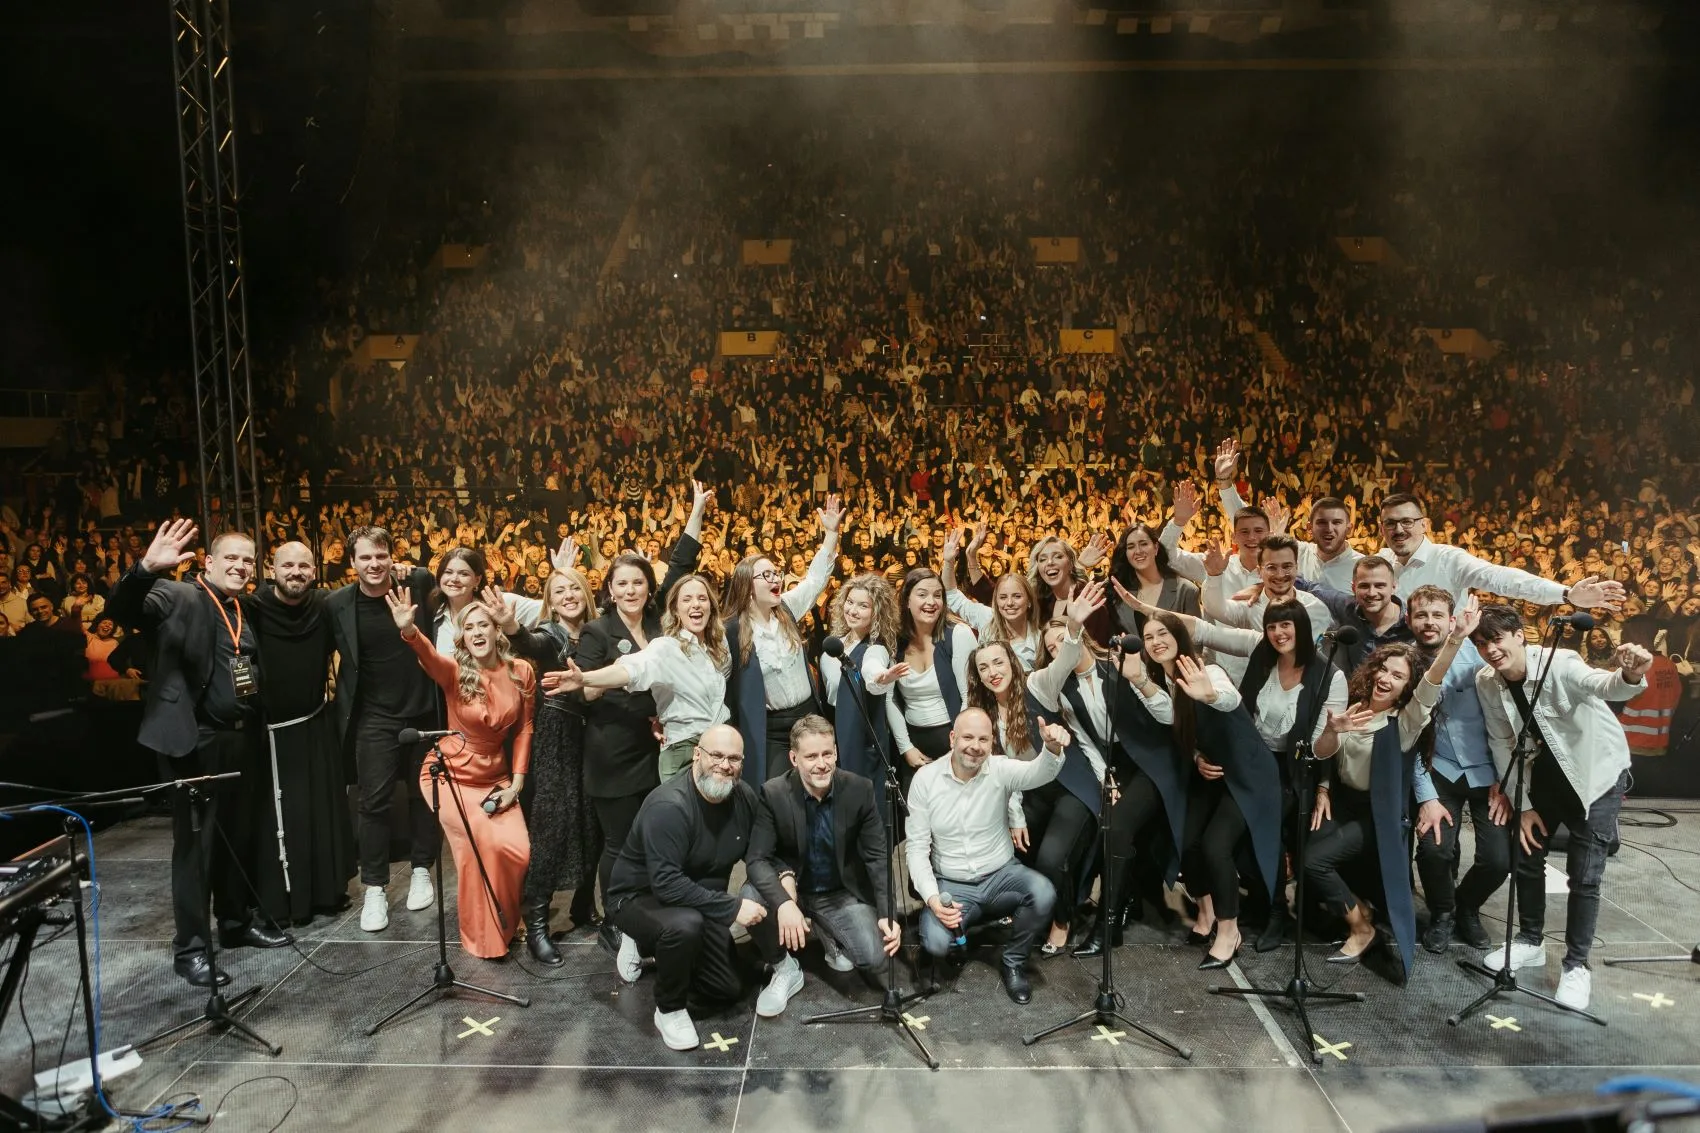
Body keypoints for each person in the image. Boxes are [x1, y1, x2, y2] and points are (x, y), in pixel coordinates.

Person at [105, 520, 291, 988]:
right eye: (231, 558)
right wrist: (145, 568)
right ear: (208, 562)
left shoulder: (242, 607)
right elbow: (122, 608)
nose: (240, 566)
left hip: (239, 739)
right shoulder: (178, 595)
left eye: (248, 560)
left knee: (236, 836)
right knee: (197, 848)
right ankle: (190, 949)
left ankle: (235, 923)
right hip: (194, 741)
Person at [1471, 602, 1654, 1011]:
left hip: (1596, 775)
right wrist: (1523, 804)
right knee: (1526, 856)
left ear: (1519, 634)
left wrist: (1630, 674)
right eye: (1481, 644)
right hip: (1545, 776)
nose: (1490, 650)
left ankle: (1576, 966)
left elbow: (1605, 686)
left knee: (1585, 874)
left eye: (1496, 639)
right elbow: (1501, 741)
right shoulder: (1487, 681)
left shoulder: (1560, 662)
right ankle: (1530, 940)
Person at [1307, 600, 1477, 982]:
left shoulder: (1404, 722)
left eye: (1398, 676)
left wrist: (1454, 641)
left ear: (1406, 688)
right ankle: (1358, 909)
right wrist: (1333, 733)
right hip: (1344, 804)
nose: (1386, 677)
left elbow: (1430, 685)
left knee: (1314, 862)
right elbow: (1322, 754)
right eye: (1383, 668)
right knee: (1307, 859)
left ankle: (1362, 928)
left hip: (1376, 814)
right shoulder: (1353, 708)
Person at [579, 490, 708, 956]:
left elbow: (680, 564)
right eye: (622, 584)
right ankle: (613, 920)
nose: (631, 590)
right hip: (613, 752)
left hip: (657, 747)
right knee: (619, 843)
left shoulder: (658, 622)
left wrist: (696, 510)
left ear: (649, 590)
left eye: (638, 583)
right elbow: (587, 691)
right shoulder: (597, 631)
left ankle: (647, 911)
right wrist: (621, 681)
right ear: (609, 590)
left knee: (651, 837)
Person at [605, 724, 771, 1051]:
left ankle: (667, 950)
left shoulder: (743, 797)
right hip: (639, 896)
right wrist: (734, 907)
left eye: (734, 758)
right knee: (683, 927)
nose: (725, 765)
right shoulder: (669, 806)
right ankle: (669, 1009)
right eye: (716, 755)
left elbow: (758, 853)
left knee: (725, 988)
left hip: (696, 896)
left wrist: (785, 882)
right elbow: (666, 885)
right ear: (697, 755)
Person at [388, 592, 534, 960]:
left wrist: (517, 782)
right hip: (449, 774)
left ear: (497, 630)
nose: (477, 632)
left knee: (516, 850)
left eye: (484, 625)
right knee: (477, 850)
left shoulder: (521, 671)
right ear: (462, 636)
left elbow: (524, 728)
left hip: (495, 776)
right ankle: (482, 938)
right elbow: (428, 656)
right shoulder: (454, 670)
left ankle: (506, 919)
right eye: (469, 627)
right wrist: (410, 632)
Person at [906, 706, 1068, 1004]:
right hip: (952, 885)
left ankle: (1013, 962)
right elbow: (916, 849)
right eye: (967, 737)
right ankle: (957, 932)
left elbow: (1039, 772)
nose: (975, 746)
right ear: (952, 738)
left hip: (1001, 876)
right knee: (936, 943)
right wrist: (932, 899)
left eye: (983, 739)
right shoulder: (925, 780)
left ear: (992, 742)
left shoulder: (1000, 768)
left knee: (1043, 892)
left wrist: (1052, 748)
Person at [743, 714, 903, 1014]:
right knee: (750, 897)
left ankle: (827, 933)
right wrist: (784, 902)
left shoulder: (859, 789)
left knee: (875, 955)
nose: (821, 764)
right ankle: (784, 967)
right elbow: (756, 859)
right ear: (794, 758)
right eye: (811, 756)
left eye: (827, 754)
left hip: (836, 892)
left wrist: (886, 912)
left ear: (836, 752)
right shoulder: (773, 793)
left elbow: (877, 857)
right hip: (792, 887)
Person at [326, 525, 442, 933]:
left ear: (393, 557)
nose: (374, 564)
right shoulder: (338, 604)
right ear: (352, 562)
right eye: (365, 557)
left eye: (381, 556)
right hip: (374, 717)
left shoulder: (418, 582)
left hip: (424, 711)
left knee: (424, 797)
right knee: (372, 803)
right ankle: (374, 888)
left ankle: (422, 869)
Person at [246, 540, 356, 926]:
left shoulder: (324, 606)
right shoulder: (251, 609)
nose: (296, 572)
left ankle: (324, 894)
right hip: (269, 735)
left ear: (314, 570)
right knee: (276, 821)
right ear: (271, 569)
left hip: (314, 726)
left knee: (318, 815)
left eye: (304, 566)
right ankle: (279, 901)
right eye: (287, 565)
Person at [966, 636, 1097, 957]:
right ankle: (1031, 905)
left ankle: (1062, 921)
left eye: (998, 662)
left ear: (1012, 662)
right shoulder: (982, 711)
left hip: (1068, 786)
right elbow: (999, 769)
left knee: (1051, 858)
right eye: (984, 667)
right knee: (1011, 845)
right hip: (1029, 791)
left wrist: (1074, 628)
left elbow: (1064, 661)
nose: (993, 672)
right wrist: (1015, 816)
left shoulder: (1036, 686)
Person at [1402, 585, 1508, 954]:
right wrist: (1426, 796)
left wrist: (1506, 778)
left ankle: (1467, 907)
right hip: (1438, 770)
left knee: (1498, 859)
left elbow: (1506, 722)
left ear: (1451, 621)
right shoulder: (1404, 664)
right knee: (1433, 851)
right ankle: (1443, 913)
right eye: (1421, 615)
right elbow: (1409, 738)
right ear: (1409, 620)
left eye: (1436, 615)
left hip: (1489, 774)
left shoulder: (1480, 658)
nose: (1428, 622)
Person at [506, 559, 601, 964]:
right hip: (556, 737)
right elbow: (530, 643)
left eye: (574, 588)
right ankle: (538, 924)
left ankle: (583, 905)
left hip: (593, 736)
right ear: (550, 601)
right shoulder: (549, 634)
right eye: (559, 591)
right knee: (551, 827)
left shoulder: (599, 631)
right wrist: (510, 627)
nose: (568, 596)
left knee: (592, 822)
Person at [721, 494, 842, 785]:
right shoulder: (732, 631)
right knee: (775, 793)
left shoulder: (786, 608)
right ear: (747, 586)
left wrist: (830, 535)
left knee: (821, 784)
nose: (776, 578)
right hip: (770, 730)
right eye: (766, 575)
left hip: (809, 718)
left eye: (776, 573)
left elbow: (814, 581)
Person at [1374, 494, 1626, 611]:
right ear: (1382, 528)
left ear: (1424, 524)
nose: (1399, 530)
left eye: (1407, 522)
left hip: (1449, 667)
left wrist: (1566, 594)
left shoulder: (1448, 559)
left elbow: (1503, 579)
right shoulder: (1380, 562)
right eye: (1390, 523)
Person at [887, 568, 980, 796]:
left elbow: (969, 696)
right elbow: (890, 699)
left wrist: (960, 744)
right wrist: (906, 747)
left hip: (954, 741)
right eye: (922, 594)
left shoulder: (958, 634)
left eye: (938, 595)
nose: (931, 602)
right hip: (914, 745)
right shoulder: (894, 642)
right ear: (906, 600)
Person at [818, 574, 907, 791]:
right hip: (833, 736)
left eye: (863, 606)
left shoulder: (876, 648)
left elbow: (871, 670)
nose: (853, 610)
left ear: (877, 612)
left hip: (861, 742)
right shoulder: (834, 645)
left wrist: (880, 679)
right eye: (850, 602)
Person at [943, 525, 1044, 670]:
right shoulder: (987, 617)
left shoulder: (1039, 639)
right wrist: (948, 562)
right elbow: (952, 596)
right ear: (995, 601)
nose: (1009, 603)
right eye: (1003, 597)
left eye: (1017, 596)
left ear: (1029, 601)